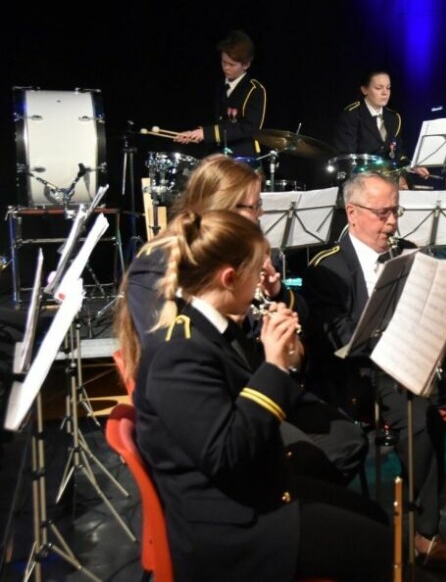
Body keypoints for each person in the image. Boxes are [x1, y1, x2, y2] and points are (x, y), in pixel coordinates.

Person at [118, 209, 392, 582]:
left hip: (252, 493)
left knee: (375, 517)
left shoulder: (212, 328)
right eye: (256, 273)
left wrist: (288, 362)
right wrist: (274, 367)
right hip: (231, 531)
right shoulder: (178, 352)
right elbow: (228, 453)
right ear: (230, 278)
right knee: (384, 549)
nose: (262, 282)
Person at [300, 172, 446, 571]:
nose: (393, 222)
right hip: (369, 374)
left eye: (396, 211)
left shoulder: (408, 252)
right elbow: (338, 339)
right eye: (383, 214)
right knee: (418, 415)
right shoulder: (325, 267)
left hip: (424, 360)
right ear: (353, 213)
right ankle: (424, 533)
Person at [119, 154, 368, 487]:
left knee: (345, 433)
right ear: (218, 206)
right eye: (250, 208)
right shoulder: (158, 263)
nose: (258, 217)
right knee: (330, 453)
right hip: (208, 403)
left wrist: (276, 294)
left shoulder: (247, 251)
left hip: (249, 380)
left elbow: (296, 319)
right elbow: (176, 352)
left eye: (258, 206)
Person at [174, 30, 267, 160]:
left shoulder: (254, 89)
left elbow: (248, 128)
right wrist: (194, 134)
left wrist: (206, 133)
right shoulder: (220, 86)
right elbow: (220, 121)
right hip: (219, 154)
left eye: (231, 64)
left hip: (242, 158)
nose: (226, 68)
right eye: (224, 62)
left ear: (246, 64)